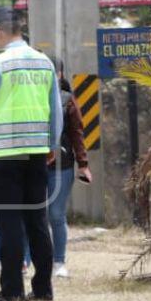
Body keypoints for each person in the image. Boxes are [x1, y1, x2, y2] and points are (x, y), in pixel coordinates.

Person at [0, 7, 61, 301]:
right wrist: (52, 144)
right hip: (37, 153)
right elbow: (55, 110)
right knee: (37, 219)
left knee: (8, 222)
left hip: (5, 153)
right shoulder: (44, 61)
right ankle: (43, 288)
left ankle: (12, 289)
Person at [49, 59, 92, 278]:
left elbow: (77, 134)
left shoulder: (67, 100)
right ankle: (26, 261)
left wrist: (83, 165)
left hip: (62, 166)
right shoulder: (31, 96)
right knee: (33, 213)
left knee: (56, 214)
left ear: (60, 74)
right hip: (33, 164)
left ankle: (59, 262)